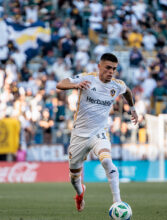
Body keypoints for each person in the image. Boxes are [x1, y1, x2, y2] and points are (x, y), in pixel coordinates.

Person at [56, 53, 138, 212]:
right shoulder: (87, 78)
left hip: (99, 132)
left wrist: (133, 109)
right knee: (74, 178)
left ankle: (118, 202)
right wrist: (75, 86)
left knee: (107, 161)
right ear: (99, 66)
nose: (111, 72)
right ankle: (80, 193)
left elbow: (127, 91)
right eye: (108, 68)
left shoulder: (116, 84)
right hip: (79, 135)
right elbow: (61, 83)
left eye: (114, 69)